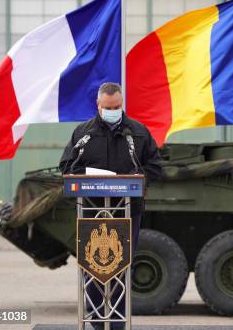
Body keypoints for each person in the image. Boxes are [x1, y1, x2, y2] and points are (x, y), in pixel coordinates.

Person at [59, 82, 162, 330]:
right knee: (92, 267)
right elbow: (66, 167)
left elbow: (156, 167)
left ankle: (117, 322)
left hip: (127, 211)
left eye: (117, 107)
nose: (113, 111)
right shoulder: (82, 133)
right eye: (108, 107)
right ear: (98, 105)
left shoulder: (137, 133)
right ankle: (95, 322)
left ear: (122, 103)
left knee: (122, 266)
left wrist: (136, 179)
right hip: (91, 211)